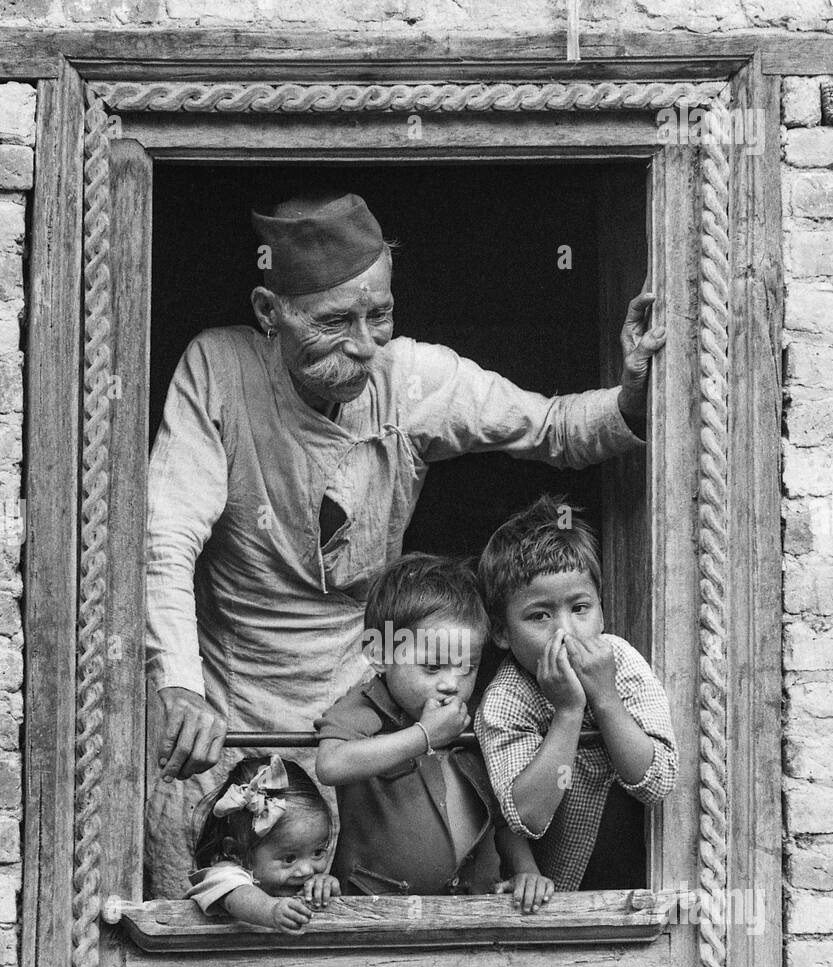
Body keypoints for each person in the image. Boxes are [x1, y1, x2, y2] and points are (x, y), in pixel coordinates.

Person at [145, 189, 666, 896]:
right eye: (334, 321)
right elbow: (166, 535)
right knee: (221, 903)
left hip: (363, 692)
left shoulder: (412, 376)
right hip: (227, 696)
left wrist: (634, 388)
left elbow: (550, 428)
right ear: (270, 312)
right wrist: (177, 684)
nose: (363, 344)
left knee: (350, 913)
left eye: (379, 314)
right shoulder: (219, 368)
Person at [315, 552, 554, 912]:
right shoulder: (365, 708)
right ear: (380, 654)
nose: (450, 684)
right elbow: (331, 764)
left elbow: (500, 809)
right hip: (375, 911)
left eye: (467, 668)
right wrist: (423, 736)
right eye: (432, 667)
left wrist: (525, 870)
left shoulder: (476, 719)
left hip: (475, 909)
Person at [474, 495, 678, 891]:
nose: (564, 631)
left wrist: (605, 699)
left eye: (580, 608)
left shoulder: (621, 661)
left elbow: (657, 783)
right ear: (501, 632)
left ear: (601, 610)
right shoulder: (506, 700)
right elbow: (526, 817)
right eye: (540, 616)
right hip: (557, 896)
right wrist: (568, 712)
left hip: (642, 882)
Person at [187, 754, 340, 931]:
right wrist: (272, 911)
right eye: (289, 858)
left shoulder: (298, 880)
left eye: (318, 852)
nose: (307, 870)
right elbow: (238, 895)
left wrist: (323, 889)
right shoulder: (223, 875)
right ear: (236, 852)